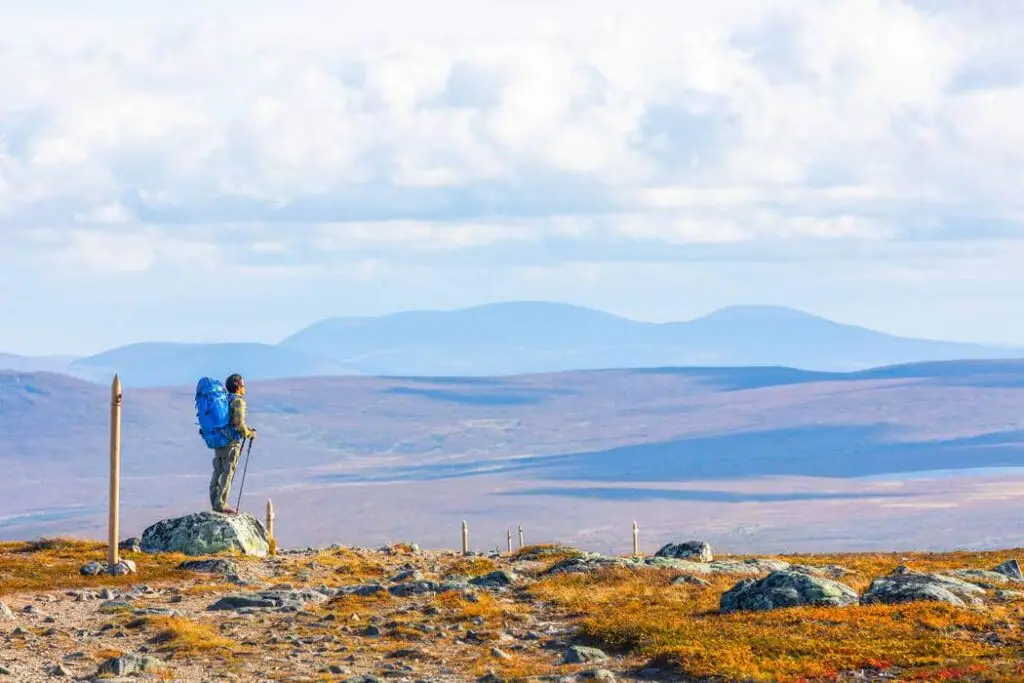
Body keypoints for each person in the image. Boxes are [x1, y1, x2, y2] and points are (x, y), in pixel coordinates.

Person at [209, 373, 256, 514]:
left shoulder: (223, 400)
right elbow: (238, 423)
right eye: (243, 385)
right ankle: (221, 504)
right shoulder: (238, 402)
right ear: (237, 386)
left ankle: (214, 502)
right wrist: (249, 433)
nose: (244, 388)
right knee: (228, 473)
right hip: (231, 443)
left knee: (217, 471)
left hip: (219, 442)